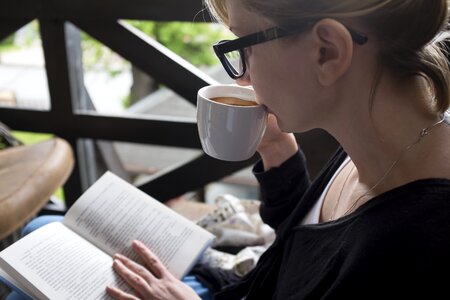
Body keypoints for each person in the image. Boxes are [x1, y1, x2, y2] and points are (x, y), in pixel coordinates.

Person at [5, 0, 450, 299]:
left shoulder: (414, 245)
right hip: (239, 284)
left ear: (326, 51)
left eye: (242, 46)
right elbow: (310, 250)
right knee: (41, 228)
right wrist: (280, 158)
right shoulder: (386, 131)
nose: (241, 79)